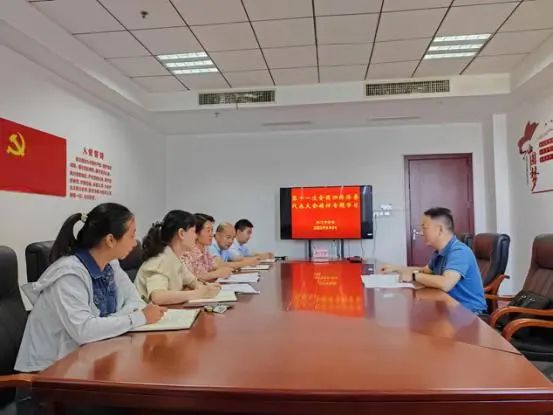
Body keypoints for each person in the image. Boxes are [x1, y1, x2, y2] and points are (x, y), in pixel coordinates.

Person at [15, 203, 165, 373]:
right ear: (110, 240)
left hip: (90, 359)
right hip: (48, 372)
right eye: (131, 235)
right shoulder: (69, 274)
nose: (135, 242)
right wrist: (137, 318)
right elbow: (85, 331)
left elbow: (135, 302)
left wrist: (111, 322)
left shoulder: (111, 265)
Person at [381, 207, 486, 314]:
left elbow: (446, 283)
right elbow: (425, 271)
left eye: (424, 227)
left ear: (440, 229)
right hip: (449, 307)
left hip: (469, 312)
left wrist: (413, 276)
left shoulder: (459, 251)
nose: (421, 233)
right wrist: (398, 268)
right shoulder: (439, 251)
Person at [135, 210, 220, 305]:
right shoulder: (161, 260)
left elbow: (192, 280)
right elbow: (158, 297)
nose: (196, 236)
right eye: (193, 231)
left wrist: (203, 287)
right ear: (182, 233)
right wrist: (199, 294)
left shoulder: (175, 257)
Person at [182, 213, 233, 282]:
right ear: (196, 232)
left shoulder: (205, 249)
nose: (211, 235)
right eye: (208, 231)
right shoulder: (188, 252)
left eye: (212, 230)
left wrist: (220, 271)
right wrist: (216, 273)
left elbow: (213, 266)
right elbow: (193, 279)